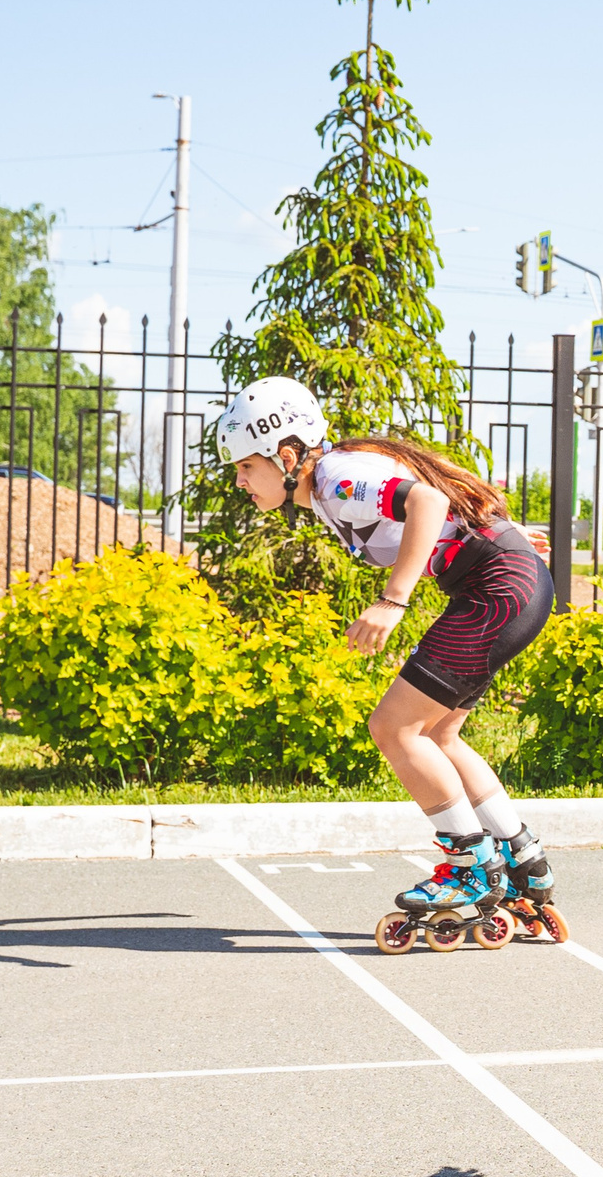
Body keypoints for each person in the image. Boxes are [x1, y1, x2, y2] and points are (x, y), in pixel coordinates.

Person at [214, 378, 562, 937]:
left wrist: (391, 600)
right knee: (440, 736)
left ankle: (470, 870)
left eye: (245, 468)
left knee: (393, 728)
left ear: (284, 455)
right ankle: (522, 858)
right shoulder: (335, 477)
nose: (240, 481)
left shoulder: (334, 478)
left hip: (498, 588)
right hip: (504, 582)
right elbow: (439, 504)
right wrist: (506, 536)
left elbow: (428, 499)